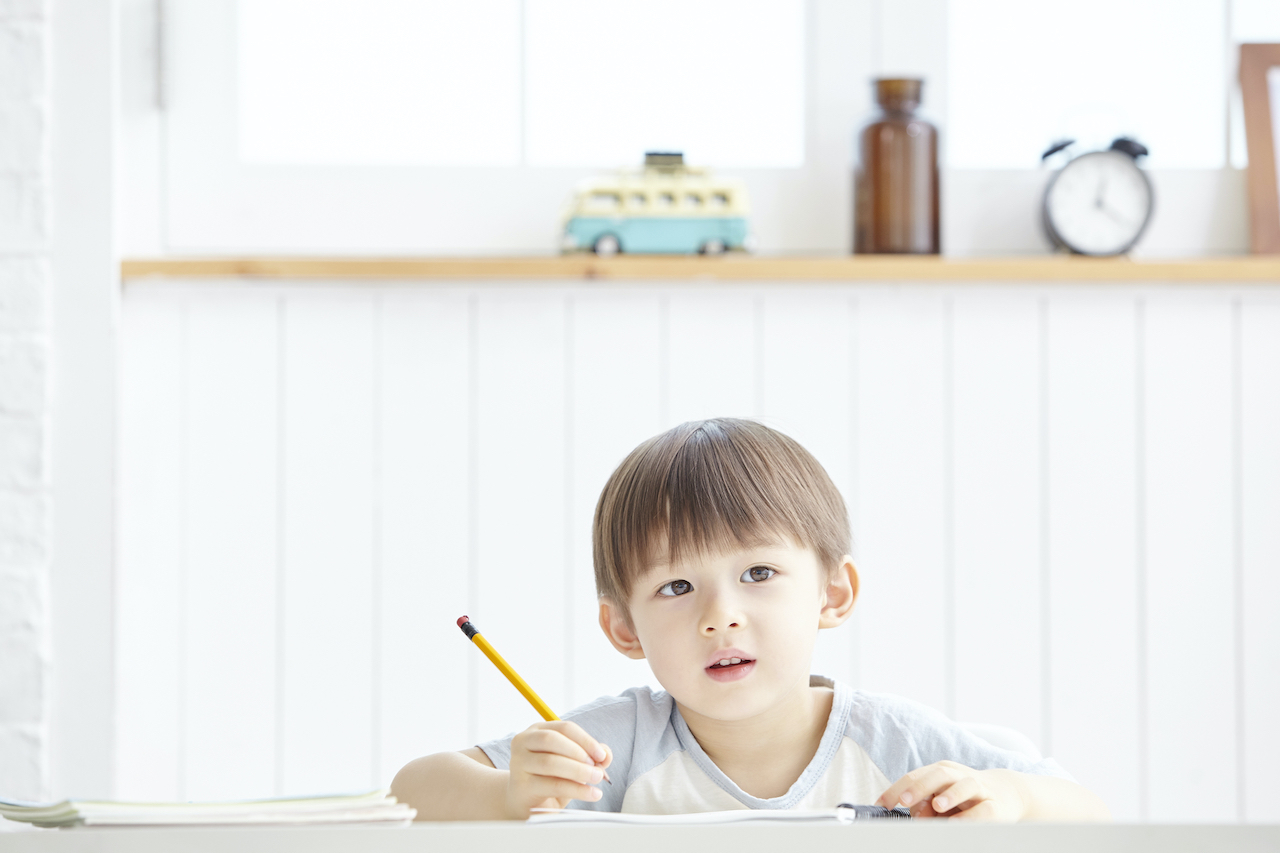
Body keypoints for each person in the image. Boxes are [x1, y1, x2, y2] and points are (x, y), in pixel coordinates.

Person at [391, 418, 1110, 821]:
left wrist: (1012, 798)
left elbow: (1092, 816)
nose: (720, 616)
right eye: (676, 586)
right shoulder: (618, 748)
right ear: (625, 629)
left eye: (758, 574)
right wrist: (505, 792)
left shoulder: (896, 742)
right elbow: (408, 793)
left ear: (833, 592)